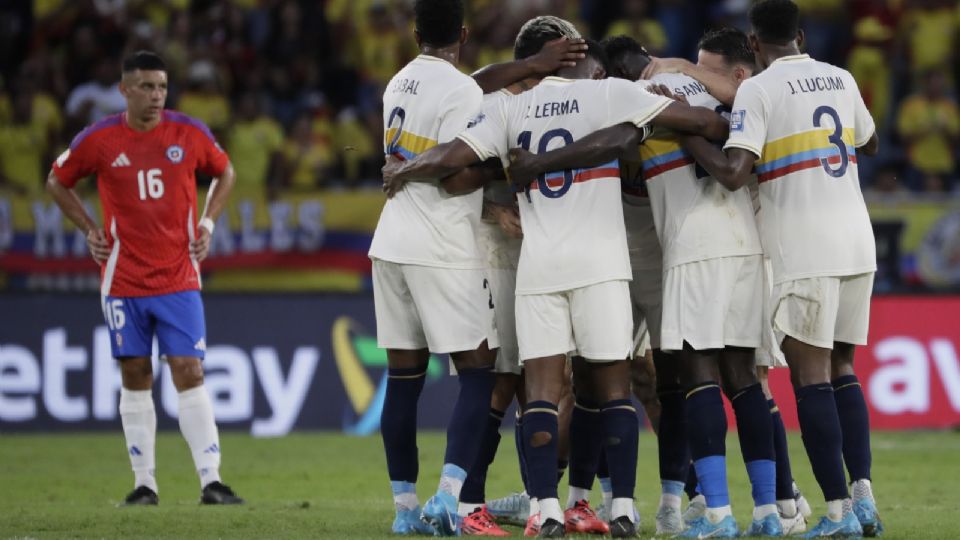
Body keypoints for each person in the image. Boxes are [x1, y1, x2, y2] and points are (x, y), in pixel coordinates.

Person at [382, 39, 728, 538]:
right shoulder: (609, 94)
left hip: (539, 269)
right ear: (591, 69)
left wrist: (404, 167)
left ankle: (544, 510)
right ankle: (624, 508)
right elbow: (709, 124)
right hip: (602, 266)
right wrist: (648, 122)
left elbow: (454, 167)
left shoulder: (512, 107)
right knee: (613, 389)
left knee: (541, 392)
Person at [678, 1, 882, 536]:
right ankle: (863, 497)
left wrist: (683, 131)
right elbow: (870, 140)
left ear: (754, 38)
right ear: (801, 33)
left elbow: (731, 172)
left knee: (811, 381)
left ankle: (838, 515)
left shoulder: (759, 91)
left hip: (805, 248)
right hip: (858, 242)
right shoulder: (839, 75)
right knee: (844, 369)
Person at [45, 51, 241, 506]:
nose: (156, 96)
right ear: (125, 90)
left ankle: (211, 481)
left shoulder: (188, 132)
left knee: (189, 371)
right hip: (123, 278)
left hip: (178, 275)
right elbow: (57, 180)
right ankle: (144, 484)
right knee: (135, 373)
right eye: (147, 87)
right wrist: (90, 229)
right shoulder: (99, 139)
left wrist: (208, 224)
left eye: (162, 87)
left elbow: (225, 171)